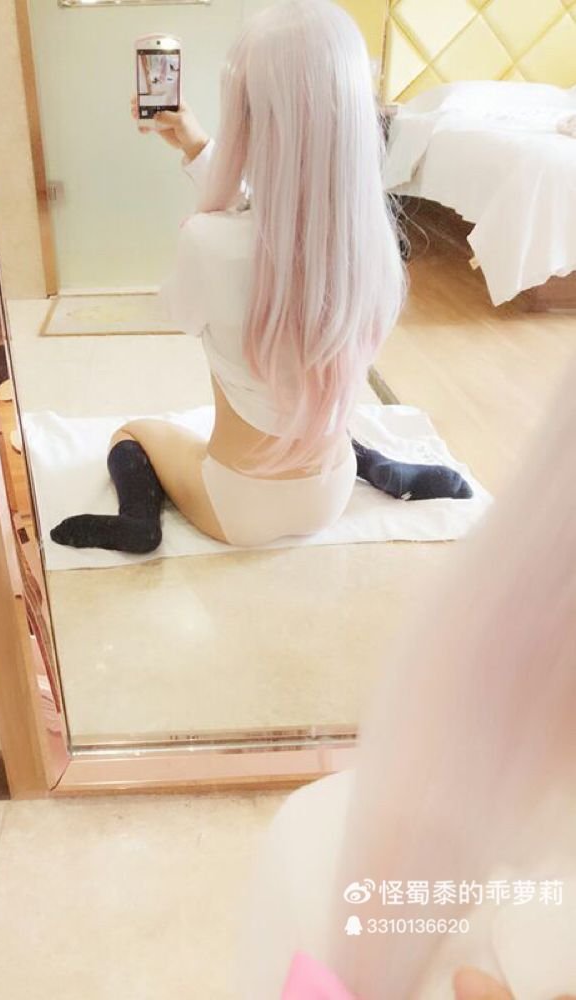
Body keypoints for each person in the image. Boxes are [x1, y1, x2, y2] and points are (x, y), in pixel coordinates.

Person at [51, 0, 471, 555]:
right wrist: (199, 149)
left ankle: (138, 524)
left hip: (238, 507)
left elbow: (181, 310)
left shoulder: (209, 240)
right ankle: (382, 469)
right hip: (331, 492)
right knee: (312, 394)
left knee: (133, 434)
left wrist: (210, 194)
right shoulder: (370, 246)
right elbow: (283, 223)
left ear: (247, 119)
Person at [240, 358, 576, 999]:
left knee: (139, 435)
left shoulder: (329, 850)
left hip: (250, 489)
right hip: (327, 481)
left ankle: (365, 458)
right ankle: (370, 460)